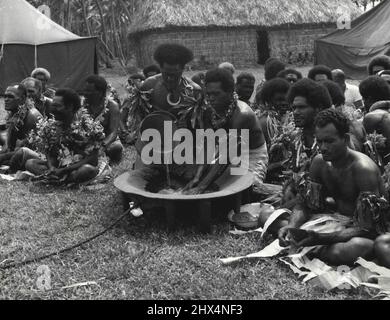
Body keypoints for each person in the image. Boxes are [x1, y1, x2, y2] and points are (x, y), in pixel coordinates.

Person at [264, 109, 390, 268]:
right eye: (320, 141)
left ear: (344, 139)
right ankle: (308, 244)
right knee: (267, 215)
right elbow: (306, 204)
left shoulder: (363, 170)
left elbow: (369, 228)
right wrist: (292, 226)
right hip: (332, 221)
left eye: (329, 141)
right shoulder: (319, 162)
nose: (323, 147)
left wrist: (322, 238)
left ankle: (308, 246)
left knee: (359, 246)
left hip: (359, 230)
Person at [183, 68, 268, 194]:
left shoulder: (242, 115)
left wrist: (201, 187)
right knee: (199, 178)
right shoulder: (209, 110)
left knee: (241, 189)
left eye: (216, 94)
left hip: (249, 157)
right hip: (224, 154)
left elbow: (226, 156)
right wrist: (197, 178)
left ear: (230, 92)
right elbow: (209, 146)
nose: (211, 98)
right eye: (208, 94)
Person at [125, 43, 202, 144]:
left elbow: (200, 126)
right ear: (160, 68)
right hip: (154, 138)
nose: (170, 79)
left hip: (184, 141)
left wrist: (187, 126)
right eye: (166, 74)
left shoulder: (194, 91)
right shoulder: (149, 86)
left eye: (175, 75)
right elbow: (139, 116)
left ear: (182, 69)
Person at [25, 88, 106, 184]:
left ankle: (55, 179)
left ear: (70, 107)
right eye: (53, 105)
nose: (53, 109)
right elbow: (49, 153)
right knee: (30, 163)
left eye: (57, 106)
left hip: (79, 166)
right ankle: (57, 178)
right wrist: (51, 167)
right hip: (59, 166)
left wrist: (64, 170)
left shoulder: (88, 126)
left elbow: (92, 159)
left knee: (86, 170)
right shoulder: (50, 126)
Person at [0, 84, 42, 172]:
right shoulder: (15, 113)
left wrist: (3, 156)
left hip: (33, 154)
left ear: (22, 98)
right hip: (16, 149)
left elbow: (26, 150)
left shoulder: (31, 116)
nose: (6, 99)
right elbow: (10, 145)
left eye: (10, 97)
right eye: (5, 96)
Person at [83, 75, 123, 163]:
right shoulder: (82, 104)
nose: (85, 93)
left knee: (116, 147)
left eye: (89, 91)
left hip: (107, 141)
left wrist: (102, 146)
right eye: (85, 90)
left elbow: (113, 132)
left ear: (100, 92)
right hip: (86, 141)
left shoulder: (112, 106)